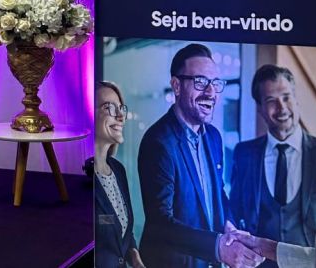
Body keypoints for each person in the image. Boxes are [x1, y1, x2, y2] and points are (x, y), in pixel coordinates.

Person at [138, 43, 263, 268]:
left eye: (215, 83)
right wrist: (217, 247)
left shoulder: (213, 136)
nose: (211, 92)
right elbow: (160, 223)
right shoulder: (158, 142)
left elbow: (218, 192)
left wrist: (229, 226)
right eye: (201, 82)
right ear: (176, 86)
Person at [229, 65, 316, 268]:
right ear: (259, 108)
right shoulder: (244, 155)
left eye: (286, 97)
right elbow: (233, 215)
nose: (281, 108)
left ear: (296, 99)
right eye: (271, 100)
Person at [95, 81, 146, 268]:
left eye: (121, 108)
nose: (120, 116)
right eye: (108, 107)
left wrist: (133, 254)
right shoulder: (82, 174)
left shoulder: (118, 170)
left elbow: (123, 228)